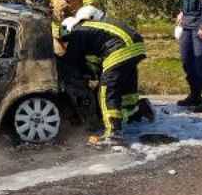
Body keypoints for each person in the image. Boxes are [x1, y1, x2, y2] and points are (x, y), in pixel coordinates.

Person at [61, 13, 154, 146]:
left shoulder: (77, 33)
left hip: (119, 49)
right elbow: (96, 54)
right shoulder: (91, 26)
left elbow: (71, 62)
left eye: (66, 39)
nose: (67, 42)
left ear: (68, 29)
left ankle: (114, 134)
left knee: (107, 91)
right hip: (136, 46)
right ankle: (138, 111)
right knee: (126, 90)